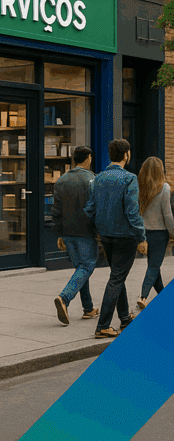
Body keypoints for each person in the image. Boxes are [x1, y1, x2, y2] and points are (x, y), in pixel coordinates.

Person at [84, 139, 147, 338]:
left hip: (106, 236)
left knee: (117, 276)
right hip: (125, 236)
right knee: (116, 278)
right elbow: (133, 211)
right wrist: (142, 236)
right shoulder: (129, 178)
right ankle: (102, 326)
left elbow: (90, 209)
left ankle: (125, 319)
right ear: (126, 154)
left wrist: (99, 227)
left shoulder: (98, 178)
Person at [52, 146, 98, 324]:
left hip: (68, 232)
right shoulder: (92, 180)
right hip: (86, 232)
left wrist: (59, 234)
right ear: (87, 158)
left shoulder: (62, 181)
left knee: (81, 268)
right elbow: (97, 208)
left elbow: (56, 211)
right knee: (86, 267)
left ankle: (88, 308)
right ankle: (64, 298)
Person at [136, 157, 174, 309]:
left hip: (145, 233)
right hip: (160, 233)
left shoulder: (140, 187)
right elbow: (167, 214)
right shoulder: (164, 188)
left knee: (154, 265)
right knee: (153, 266)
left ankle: (164, 297)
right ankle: (143, 297)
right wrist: (172, 232)